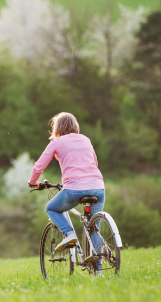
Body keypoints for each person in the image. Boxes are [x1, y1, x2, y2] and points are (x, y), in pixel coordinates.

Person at [27, 112, 105, 266]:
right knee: (94, 228)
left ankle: (69, 234)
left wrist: (33, 182)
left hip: (74, 190)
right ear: (75, 125)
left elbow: (38, 166)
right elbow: (94, 162)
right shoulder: (86, 139)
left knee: (52, 208)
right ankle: (100, 272)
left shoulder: (57, 142)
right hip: (98, 187)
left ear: (57, 128)